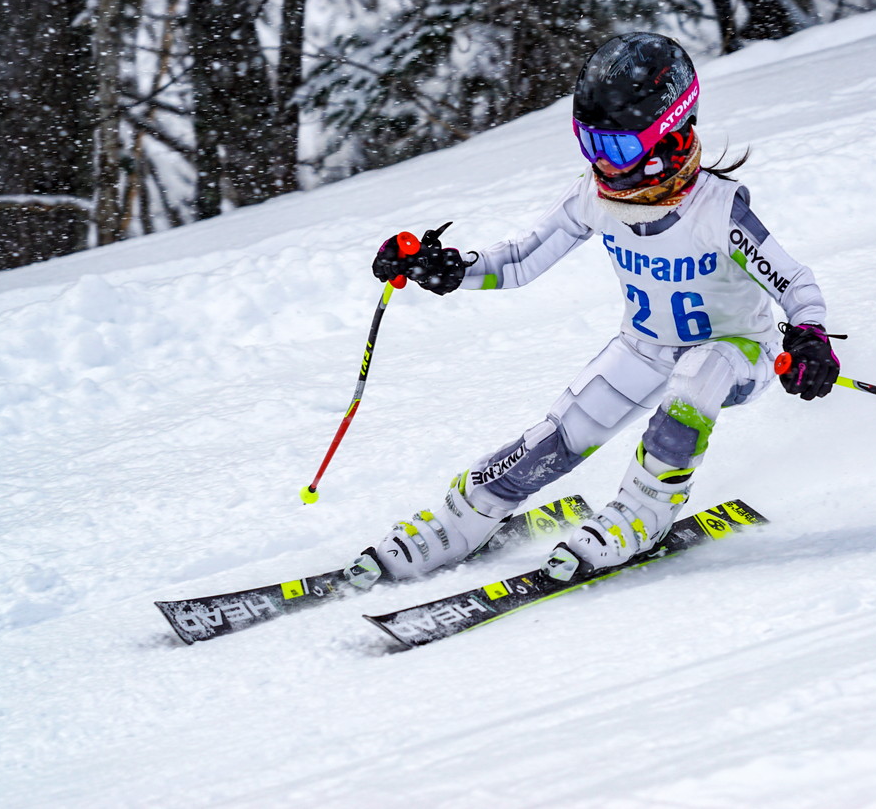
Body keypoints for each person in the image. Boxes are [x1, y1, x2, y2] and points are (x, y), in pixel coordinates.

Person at [344, 32, 839, 587]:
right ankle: (464, 517)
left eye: (620, 148)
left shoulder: (716, 210)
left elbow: (795, 281)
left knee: (694, 379)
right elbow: (519, 261)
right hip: (645, 349)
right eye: (591, 144)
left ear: (670, 137)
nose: (604, 163)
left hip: (737, 356)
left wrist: (810, 338)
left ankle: (643, 511)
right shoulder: (594, 198)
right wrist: (448, 267)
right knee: (560, 435)